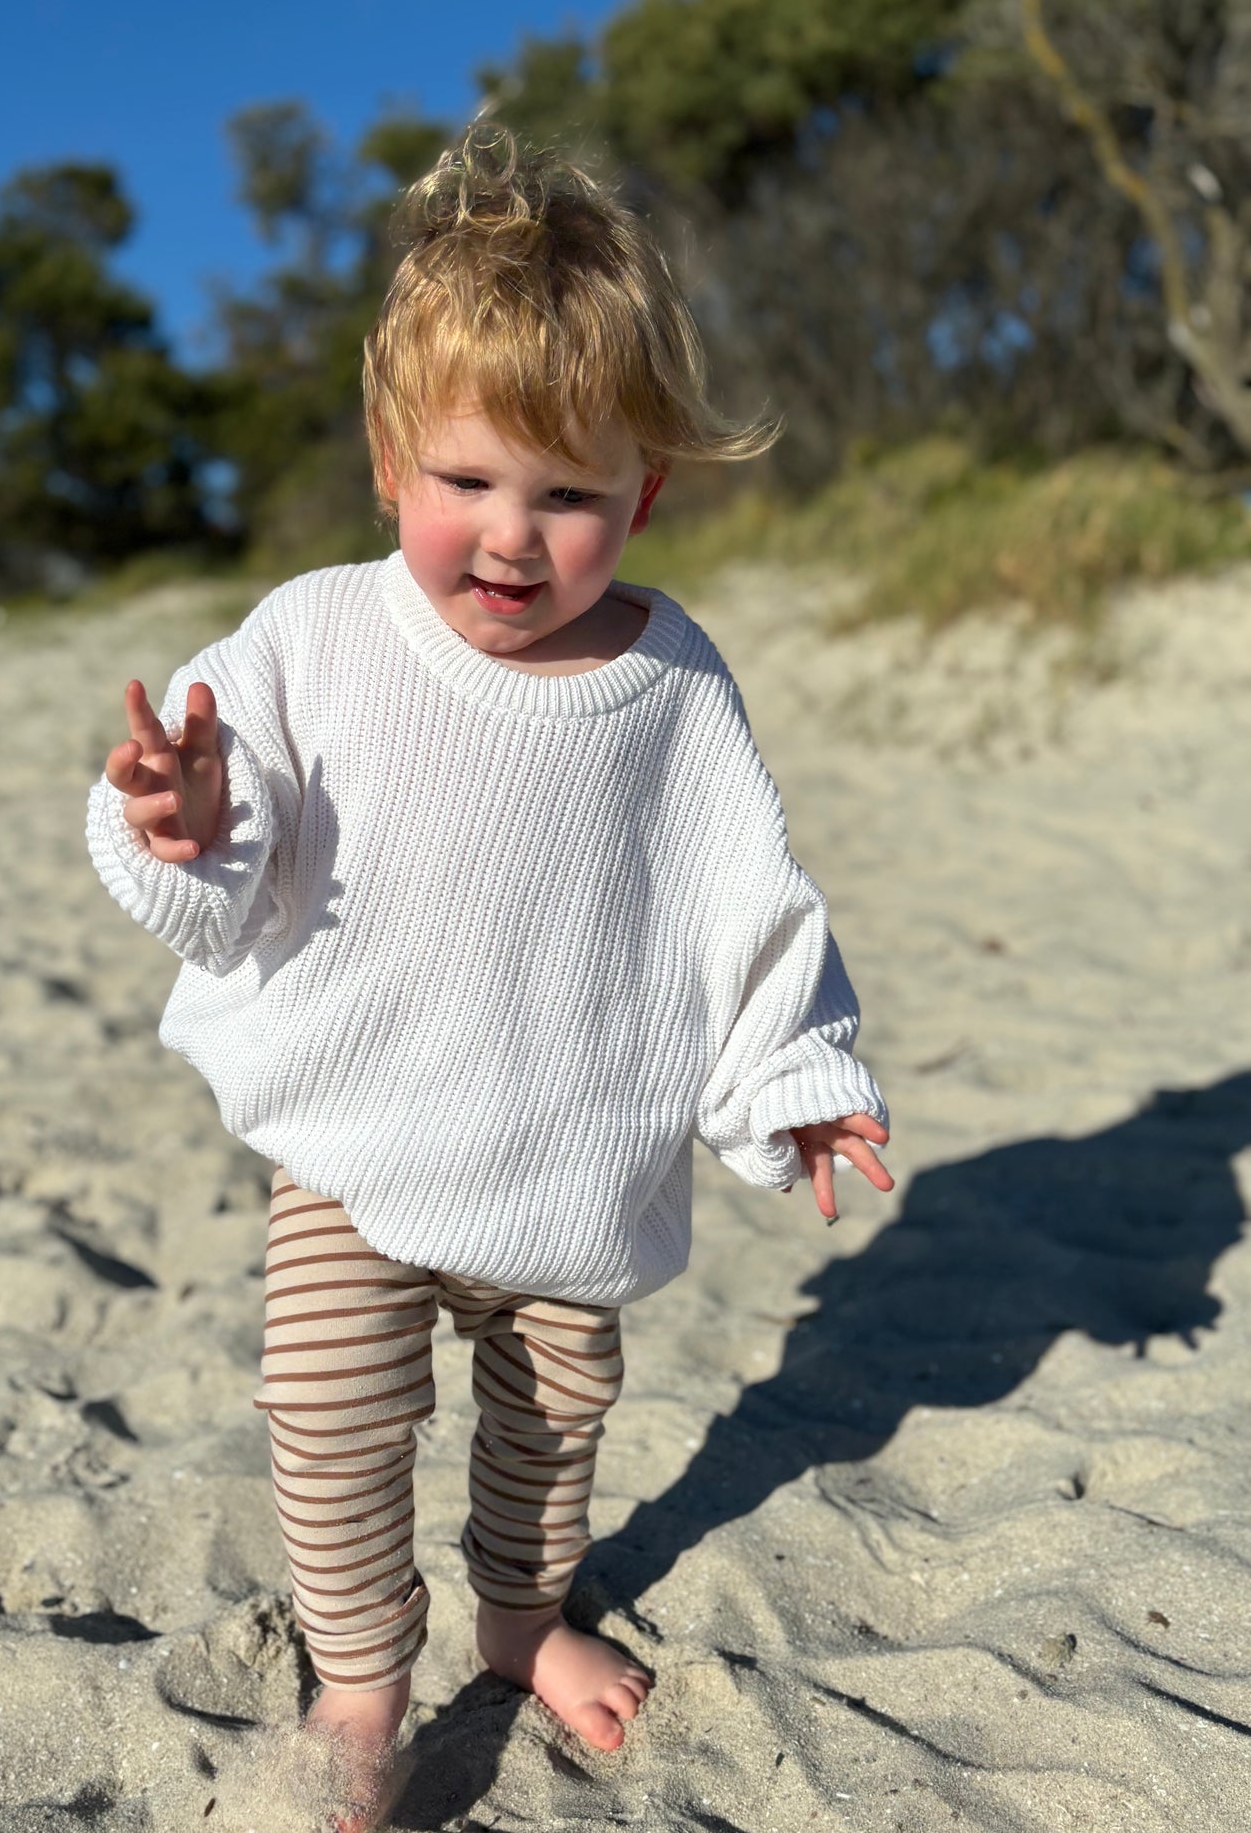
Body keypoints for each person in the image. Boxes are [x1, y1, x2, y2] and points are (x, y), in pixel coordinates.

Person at [85, 123, 892, 1833]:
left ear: (644, 495)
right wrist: (182, 822)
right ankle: (364, 1684)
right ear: (390, 462)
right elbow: (232, 826)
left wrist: (796, 1076)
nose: (511, 537)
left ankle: (522, 1620)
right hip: (362, 1145)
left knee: (548, 1428)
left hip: (565, 1153)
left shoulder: (670, 683)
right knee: (327, 1409)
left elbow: (744, 899)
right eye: (467, 481)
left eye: (570, 494)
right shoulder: (313, 636)